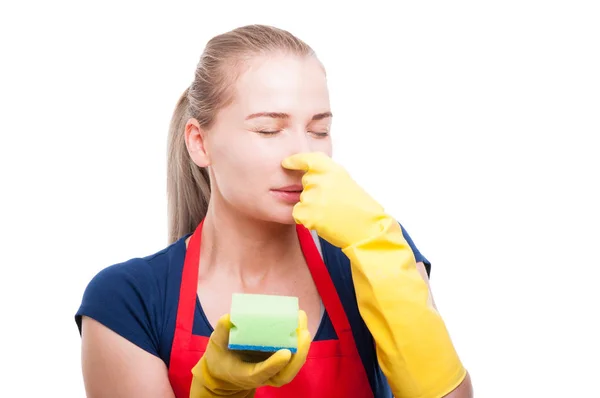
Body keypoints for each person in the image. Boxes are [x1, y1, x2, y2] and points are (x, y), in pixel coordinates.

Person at [75, 24, 474, 398]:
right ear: (199, 143)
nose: (302, 155)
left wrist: (382, 251)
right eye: (268, 129)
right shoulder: (128, 300)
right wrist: (216, 392)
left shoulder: (370, 255)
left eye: (319, 130)